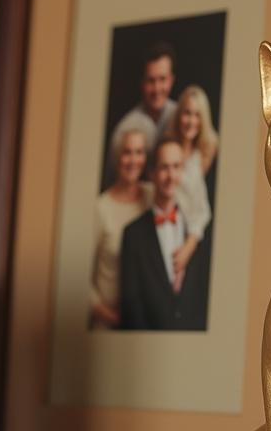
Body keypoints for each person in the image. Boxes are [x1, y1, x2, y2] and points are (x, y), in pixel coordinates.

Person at [118, 138, 209, 330]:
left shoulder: (196, 231)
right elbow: (131, 306)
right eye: (164, 168)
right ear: (152, 173)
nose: (171, 175)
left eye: (176, 167)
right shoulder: (132, 234)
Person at [91, 128, 154, 328]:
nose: (133, 160)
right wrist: (112, 318)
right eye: (127, 152)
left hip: (145, 324)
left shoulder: (153, 196)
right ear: (117, 157)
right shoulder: (100, 208)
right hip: (108, 323)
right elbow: (80, 278)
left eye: (139, 152)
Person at [164, 84, 218, 281]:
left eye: (197, 115)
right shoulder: (167, 147)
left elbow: (198, 203)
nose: (191, 121)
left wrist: (189, 245)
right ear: (179, 115)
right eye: (187, 113)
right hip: (166, 227)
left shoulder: (204, 153)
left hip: (191, 238)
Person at [109, 43, 177, 169]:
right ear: (142, 83)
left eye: (162, 79)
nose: (157, 89)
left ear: (171, 80)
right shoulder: (126, 128)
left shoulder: (182, 116)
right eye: (151, 81)